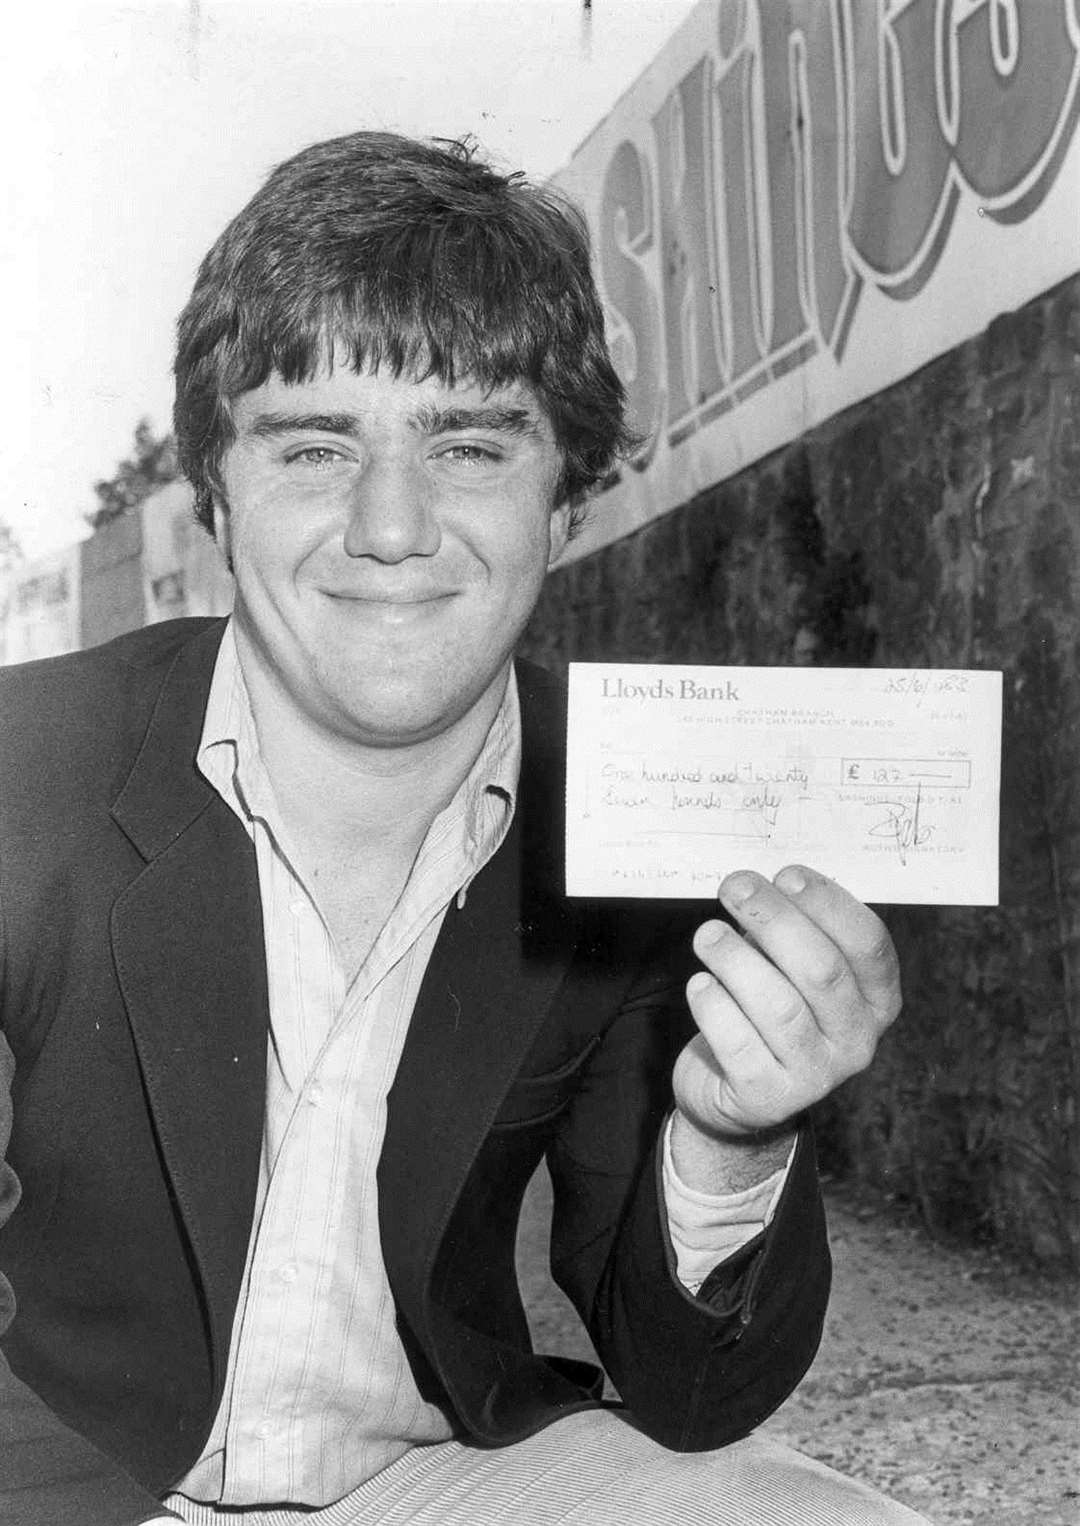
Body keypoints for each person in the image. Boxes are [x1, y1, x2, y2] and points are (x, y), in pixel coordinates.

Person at [0, 132, 927, 1526]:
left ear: (566, 495)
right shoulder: (26, 763)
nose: (392, 526)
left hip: (426, 1483)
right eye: (315, 445)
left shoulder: (634, 807)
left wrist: (734, 1132)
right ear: (216, 490)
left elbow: (693, 1394)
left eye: (472, 444)